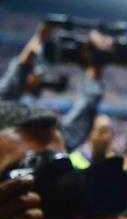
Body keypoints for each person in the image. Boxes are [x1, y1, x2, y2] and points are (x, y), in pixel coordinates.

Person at [0, 22, 108, 152]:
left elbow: (9, 90)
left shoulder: (8, 133)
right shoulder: (51, 146)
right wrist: (96, 70)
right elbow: (73, 131)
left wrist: (40, 38)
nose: (37, 75)